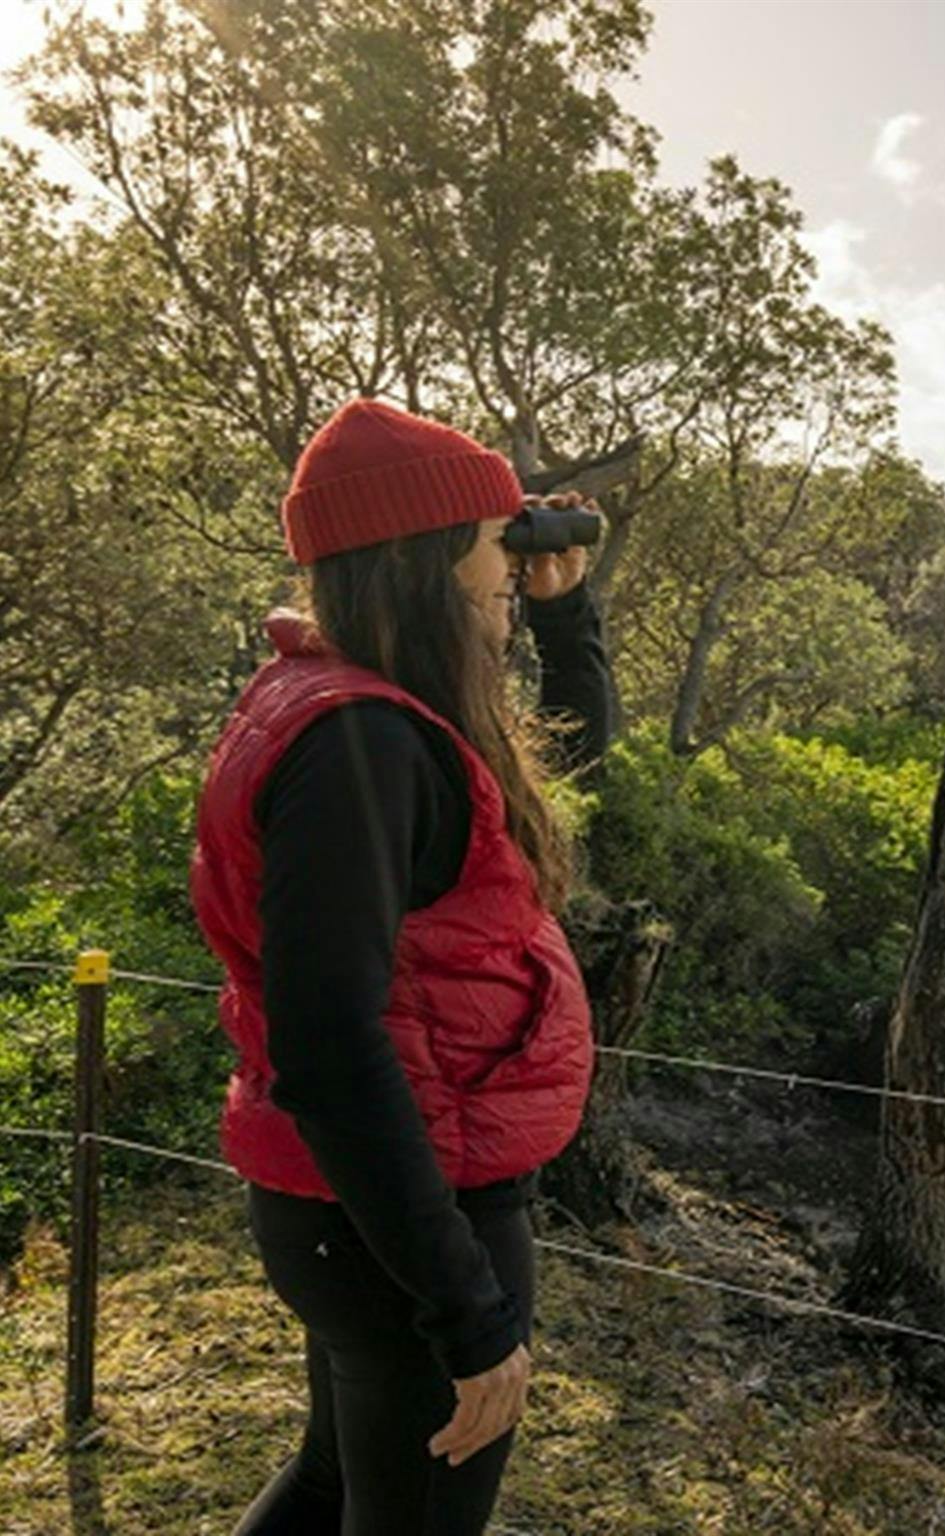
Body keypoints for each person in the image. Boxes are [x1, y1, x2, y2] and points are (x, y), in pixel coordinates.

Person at [187, 397, 619, 1534]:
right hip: (411, 1210)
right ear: (429, 561)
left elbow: (557, 781)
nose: (497, 573)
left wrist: (566, 623)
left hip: (354, 1207)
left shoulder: (350, 708)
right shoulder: (361, 746)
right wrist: (468, 1315)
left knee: (334, 1485)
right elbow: (331, 1043)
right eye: (487, 543)